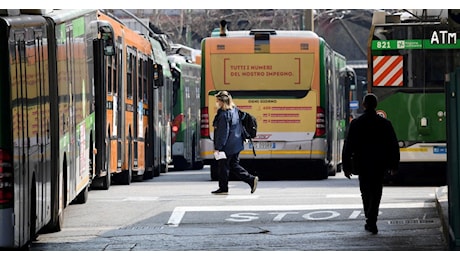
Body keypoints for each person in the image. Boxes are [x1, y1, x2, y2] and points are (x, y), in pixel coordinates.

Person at [342, 93, 400, 234]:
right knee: (376, 191)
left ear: (363, 105)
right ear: (376, 105)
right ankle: (372, 219)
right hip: (379, 163)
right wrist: (394, 165)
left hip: (362, 163)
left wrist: (346, 166)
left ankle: (370, 218)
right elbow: (393, 145)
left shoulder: (356, 123)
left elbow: (348, 146)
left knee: (365, 191)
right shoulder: (385, 124)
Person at [211, 90, 258, 195]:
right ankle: (250, 180)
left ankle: (224, 188)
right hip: (237, 143)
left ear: (221, 101)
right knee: (233, 165)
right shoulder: (235, 110)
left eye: (217, 100)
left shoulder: (223, 115)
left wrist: (219, 147)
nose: (216, 102)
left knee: (223, 166)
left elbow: (224, 132)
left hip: (228, 146)